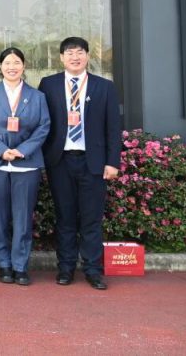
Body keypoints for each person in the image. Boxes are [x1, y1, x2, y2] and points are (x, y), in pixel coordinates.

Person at [38, 37, 121, 291]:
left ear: (87, 56)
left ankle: (93, 270)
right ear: (61, 57)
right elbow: (42, 123)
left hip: (93, 162)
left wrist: (112, 162)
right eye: (70, 53)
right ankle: (65, 268)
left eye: (80, 52)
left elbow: (113, 128)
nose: (75, 57)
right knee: (64, 218)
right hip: (60, 161)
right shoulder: (48, 84)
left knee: (91, 219)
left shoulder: (104, 87)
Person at [0, 47, 50, 287]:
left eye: (16, 62)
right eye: (7, 62)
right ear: (0, 66)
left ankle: (20, 266)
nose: (12, 67)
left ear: (24, 66)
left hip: (26, 164)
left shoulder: (37, 96)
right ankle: (4, 264)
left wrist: (22, 150)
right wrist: (0, 150)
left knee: (23, 218)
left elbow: (44, 126)